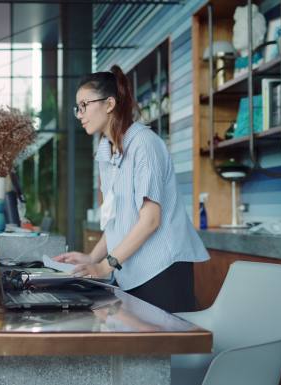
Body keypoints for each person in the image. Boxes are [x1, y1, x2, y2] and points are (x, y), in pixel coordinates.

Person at [53, 66, 209, 313]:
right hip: (131, 268)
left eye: (84, 105)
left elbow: (150, 220)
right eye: (78, 108)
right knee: (141, 349)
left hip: (162, 269)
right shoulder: (107, 152)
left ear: (109, 104)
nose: (79, 114)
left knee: (161, 348)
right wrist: (92, 258)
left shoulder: (144, 144)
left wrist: (105, 266)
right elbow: (118, 220)